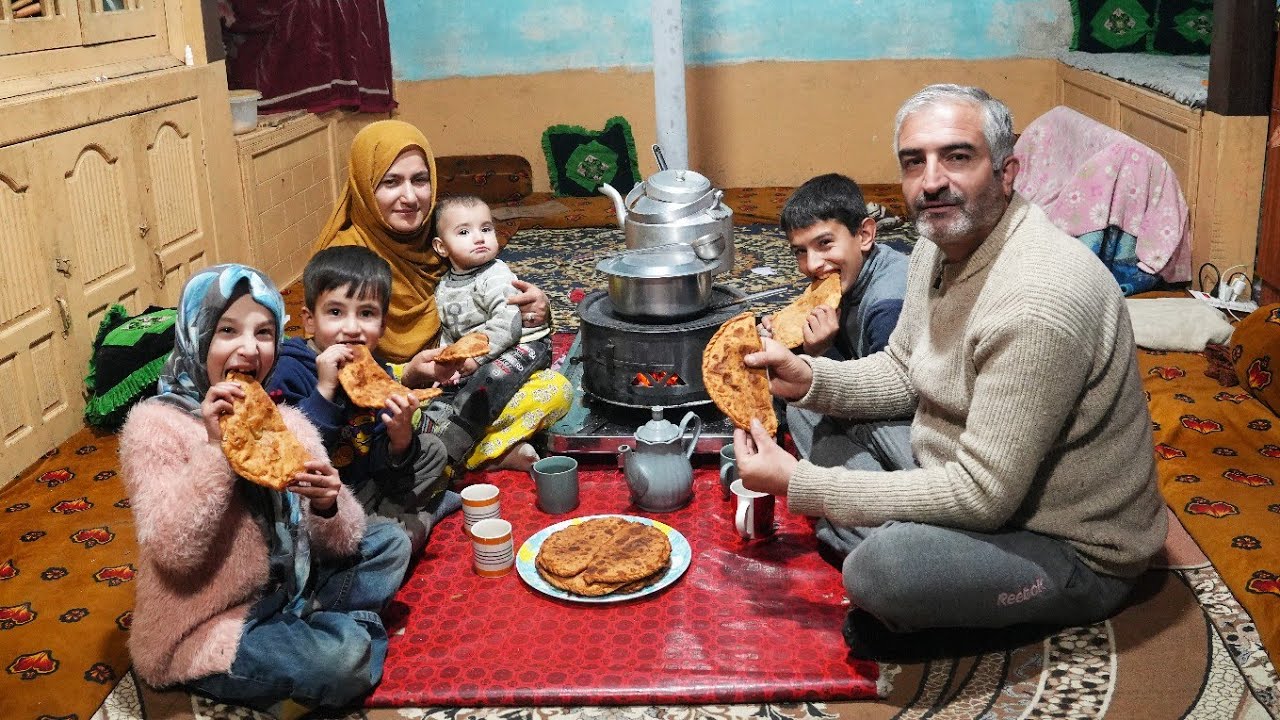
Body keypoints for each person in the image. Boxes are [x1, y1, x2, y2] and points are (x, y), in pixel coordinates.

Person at [733, 84, 1166, 654]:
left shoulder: (1038, 300)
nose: (932, 180)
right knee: (807, 404)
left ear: (1007, 172)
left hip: (1061, 540)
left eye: (957, 157)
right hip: (962, 457)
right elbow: (902, 370)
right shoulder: (937, 247)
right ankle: (896, 533)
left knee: (881, 572)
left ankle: (913, 563)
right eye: (915, 162)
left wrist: (802, 485)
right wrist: (812, 379)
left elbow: (984, 495)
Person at [118, 264, 411, 715]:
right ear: (195, 335)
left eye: (265, 332)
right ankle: (340, 635)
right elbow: (173, 551)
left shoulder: (284, 421)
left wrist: (328, 502)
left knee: (389, 541)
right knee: (344, 659)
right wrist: (217, 452)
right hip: (215, 620)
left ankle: (318, 631)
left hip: (290, 588)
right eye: (228, 330)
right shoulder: (154, 427)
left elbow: (345, 539)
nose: (249, 349)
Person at [313, 120, 572, 475]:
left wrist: (538, 310)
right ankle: (474, 455)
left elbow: (491, 305)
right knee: (372, 424)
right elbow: (334, 363)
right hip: (392, 397)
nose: (410, 197)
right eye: (390, 182)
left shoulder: (440, 241)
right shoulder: (345, 257)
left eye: (420, 180)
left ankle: (445, 456)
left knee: (554, 389)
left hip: (461, 381)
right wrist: (409, 375)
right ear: (363, 187)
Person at [268, 245, 460, 553]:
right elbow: (288, 459)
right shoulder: (289, 370)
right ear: (309, 321)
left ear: (382, 325)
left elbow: (378, 458)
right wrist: (324, 392)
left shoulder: (376, 372)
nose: (352, 328)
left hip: (365, 486)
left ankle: (388, 529)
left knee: (433, 450)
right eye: (335, 312)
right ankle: (402, 529)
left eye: (367, 314)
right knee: (392, 544)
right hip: (317, 507)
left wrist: (399, 439)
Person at [765, 173, 911, 477]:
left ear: (864, 235)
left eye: (825, 243)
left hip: (915, 428)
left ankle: (866, 501)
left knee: (802, 405)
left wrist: (819, 354)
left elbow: (888, 395)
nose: (813, 264)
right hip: (874, 401)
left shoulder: (888, 304)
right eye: (800, 251)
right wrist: (786, 343)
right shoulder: (844, 278)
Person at [428, 194, 553, 472]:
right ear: (441, 247)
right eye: (464, 232)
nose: (479, 238)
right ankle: (489, 451)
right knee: (449, 395)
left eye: (486, 229)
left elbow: (506, 324)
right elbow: (448, 332)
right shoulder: (444, 285)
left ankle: (454, 444)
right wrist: (449, 365)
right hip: (477, 361)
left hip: (522, 346)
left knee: (492, 378)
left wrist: (475, 360)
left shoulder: (495, 274)